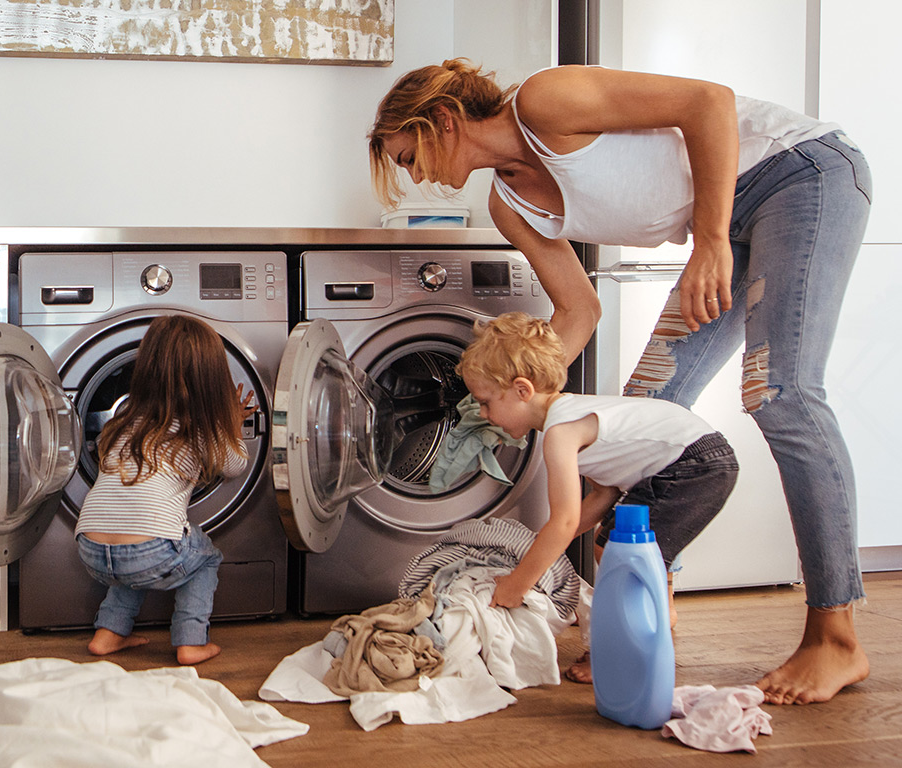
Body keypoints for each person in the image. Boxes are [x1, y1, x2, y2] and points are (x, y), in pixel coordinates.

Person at [368, 59, 872, 705]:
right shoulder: (508, 204)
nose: (415, 176)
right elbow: (579, 313)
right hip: (732, 221)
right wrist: (509, 394)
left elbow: (709, 102)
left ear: (442, 119)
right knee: (639, 418)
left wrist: (711, 241)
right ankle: (648, 604)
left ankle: (836, 634)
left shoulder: (545, 101)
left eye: (410, 156)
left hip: (799, 175)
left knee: (781, 394)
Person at [458, 311, 737, 683]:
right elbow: (604, 495)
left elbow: (565, 521)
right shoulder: (570, 416)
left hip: (692, 463)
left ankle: (622, 650)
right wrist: (544, 545)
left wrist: (517, 584)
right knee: (617, 546)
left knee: (617, 549)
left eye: (486, 401)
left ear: (522, 391)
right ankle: (649, 627)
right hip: (695, 459)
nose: (482, 413)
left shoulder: (561, 432)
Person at [75, 314, 257, 665]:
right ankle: (191, 641)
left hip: (89, 548)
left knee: (132, 544)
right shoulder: (202, 427)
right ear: (212, 379)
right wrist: (231, 425)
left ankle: (107, 634)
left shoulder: (126, 415)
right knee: (205, 559)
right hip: (151, 551)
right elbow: (235, 466)